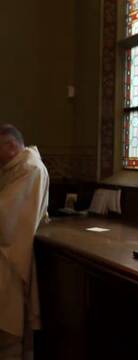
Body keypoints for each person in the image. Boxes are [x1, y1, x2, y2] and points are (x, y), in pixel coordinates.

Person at [0, 124, 49, 359]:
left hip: (10, 261)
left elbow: (6, 221)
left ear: (10, 146)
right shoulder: (15, 168)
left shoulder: (30, 169)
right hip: (7, 256)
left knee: (9, 331)